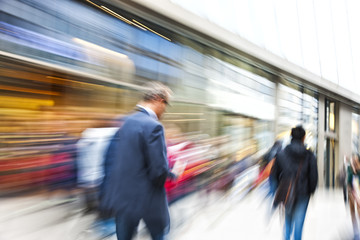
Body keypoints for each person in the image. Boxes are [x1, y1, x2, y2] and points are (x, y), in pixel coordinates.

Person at [100, 82, 185, 240]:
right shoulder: (153, 127)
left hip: (123, 200)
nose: (165, 110)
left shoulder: (125, 122)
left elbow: (111, 160)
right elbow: (158, 171)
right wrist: (174, 174)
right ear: (158, 99)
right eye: (166, 104)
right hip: (148, 201)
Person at [270, 125, 318, 240]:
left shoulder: (281, 154)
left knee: (288, 222)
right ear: (304, 137)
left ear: (291, 137)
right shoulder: (309, 155)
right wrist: (310, 191)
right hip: (303, 194)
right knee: (299, 225)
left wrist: (278, 190)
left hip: (287, 193)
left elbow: (273, 176)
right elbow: (314, 176)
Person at [347, 154, 360, 239]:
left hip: (359, 192)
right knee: (352, 212)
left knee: (359, 211)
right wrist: (350, 193)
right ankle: (355, 231)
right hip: (352, 191)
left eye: (355, 161)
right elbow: (348, 182)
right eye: (352, 161)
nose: (354, 163)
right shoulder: (349, 169)